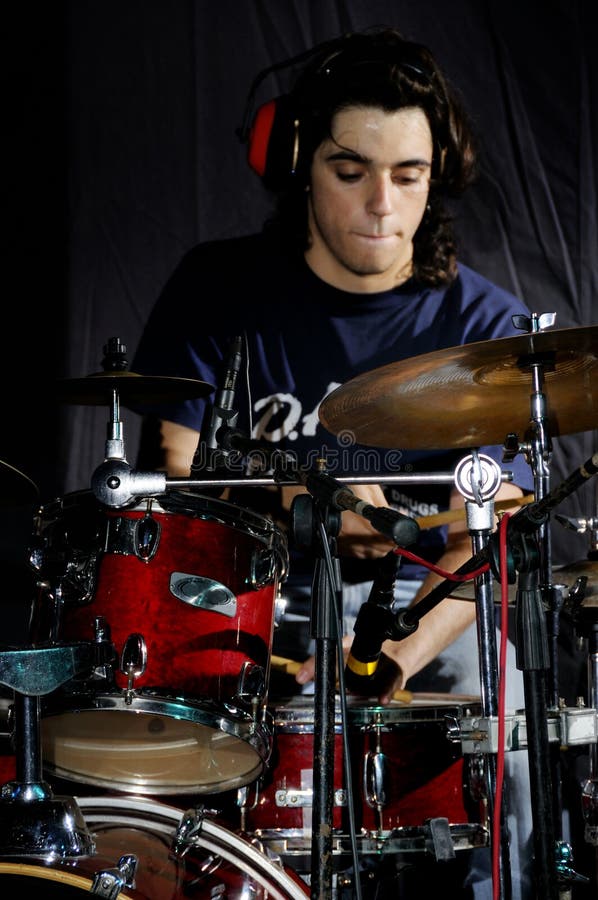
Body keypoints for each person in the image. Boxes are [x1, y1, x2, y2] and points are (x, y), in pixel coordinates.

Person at [131, 27, 537, 899]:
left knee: (502, 730)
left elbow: (491, 529)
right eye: (351, 173)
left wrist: (393, 655)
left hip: (429, 606)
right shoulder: (219, 287)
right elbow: (174, 468)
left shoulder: (487, 328)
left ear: (441, 177)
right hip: (250, 598)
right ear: (297, 167)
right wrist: (296, 500)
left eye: (408, 176)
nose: (382, 205)